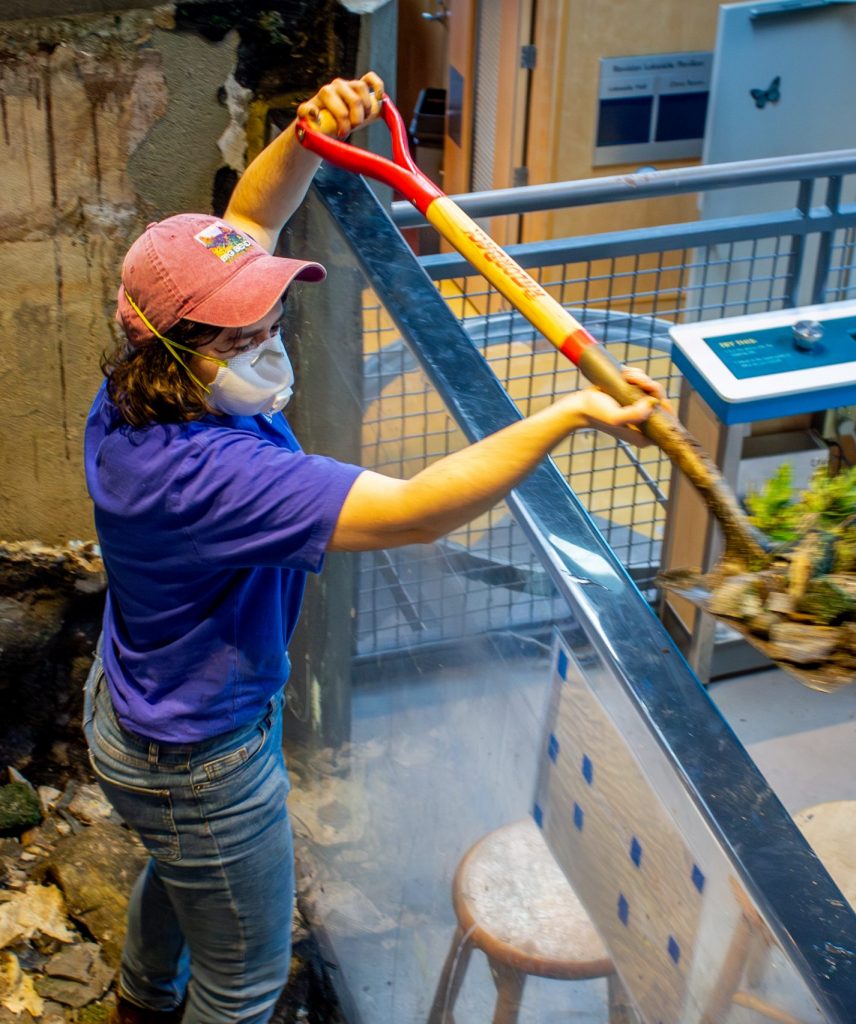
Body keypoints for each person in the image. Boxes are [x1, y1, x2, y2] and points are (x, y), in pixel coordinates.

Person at [83, 73, 666, 1024]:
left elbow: (246, 214)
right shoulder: (208, 476)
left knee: (182, 868)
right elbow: (416, 511)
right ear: (177, 348)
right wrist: (570, 412)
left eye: (272, 319)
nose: (275, 342)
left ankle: (141, 1003)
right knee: (244, 982)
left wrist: (310, 134)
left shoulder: (131, 395)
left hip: (138, 707)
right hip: (201, 753)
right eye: (249, 334)